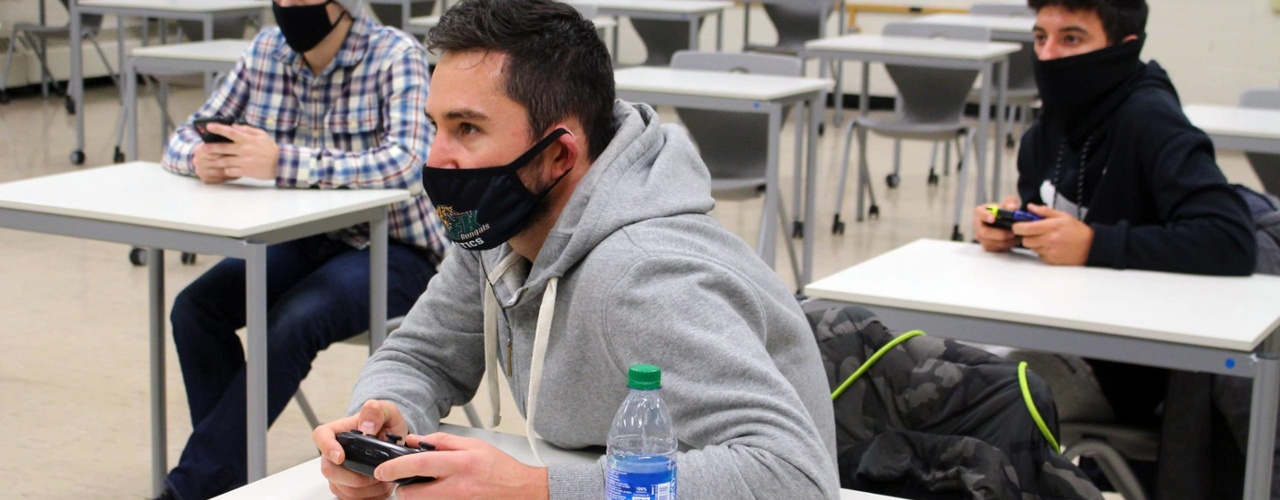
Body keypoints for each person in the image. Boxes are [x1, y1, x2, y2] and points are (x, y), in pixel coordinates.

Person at [310, 1, 840, 499]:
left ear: (560, 154)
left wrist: (535, 489)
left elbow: (793, 475)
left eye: (467, 128)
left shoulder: (644, 277)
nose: (437, 158)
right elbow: (421, 354)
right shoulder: (502, 227)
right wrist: (383, 418)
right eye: (436, 126)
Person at [156, 0, 447, 498]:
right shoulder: (267, 50)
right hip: (305, 236)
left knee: (293, 320)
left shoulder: (393, 53)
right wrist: (202, 156)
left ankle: (192, 487)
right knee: (195, 307)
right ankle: (224, 469)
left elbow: (408, 162)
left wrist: (282, 162)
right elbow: (182, 137)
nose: (289, 7)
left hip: (397, 250)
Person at [971, 0, 1257, 494]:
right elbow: (1061, 227)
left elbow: (1229, 237)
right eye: (1040, 38)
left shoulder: (1151, 119)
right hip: (1061, 331)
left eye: (1072, 39)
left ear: (1124, 48)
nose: (1050, 54)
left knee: (972, 402)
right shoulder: (1048, 131)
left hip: (1132, 371)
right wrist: (1015, 231)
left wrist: (1095, 245)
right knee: (927, 370)